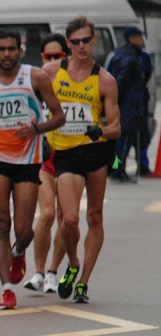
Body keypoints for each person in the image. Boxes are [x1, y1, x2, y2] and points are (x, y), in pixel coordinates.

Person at [0, 30, 65, 310]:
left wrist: (35, 129)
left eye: (12, 49)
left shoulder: (35, 77)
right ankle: (7, 288)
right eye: (1, 49)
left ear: (20, 50)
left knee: (24, 229)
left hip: (28, 161)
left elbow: (59, 116)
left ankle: (18, 250)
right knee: (1, 223)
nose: (7, 54)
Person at [43, 16, 120, 303]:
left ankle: (84, 282)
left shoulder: (104, 79)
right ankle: (73, 263)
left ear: (94, 40)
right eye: (75, 42)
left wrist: (100, 129)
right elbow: (31, 99)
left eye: (86, 40)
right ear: (67, 44)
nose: (81, 46)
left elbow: (116, 127)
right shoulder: (52, 72)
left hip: (96, 153)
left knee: (95, 216)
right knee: (70, 219)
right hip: (65, 153)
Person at [24, 33, 69, 293]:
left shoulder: (72, 83)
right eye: (48, 57)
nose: (52, 61)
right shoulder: (34, 83)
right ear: (42, 58)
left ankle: (54, 271)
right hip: (42, 156)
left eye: (58, 57)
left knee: (65, 217)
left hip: (68, 156)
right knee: (48, 214)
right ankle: (39, 273)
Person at [107, 26, 152, 183]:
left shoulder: (126, 55)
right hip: (128, 106)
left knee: (123, 141)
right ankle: (118, 169)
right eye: (139, 37)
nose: (141, 40)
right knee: (123, 141)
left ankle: (118, 168)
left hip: (129, 105)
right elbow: (121, 83)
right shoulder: (129, 58)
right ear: (132, 38)